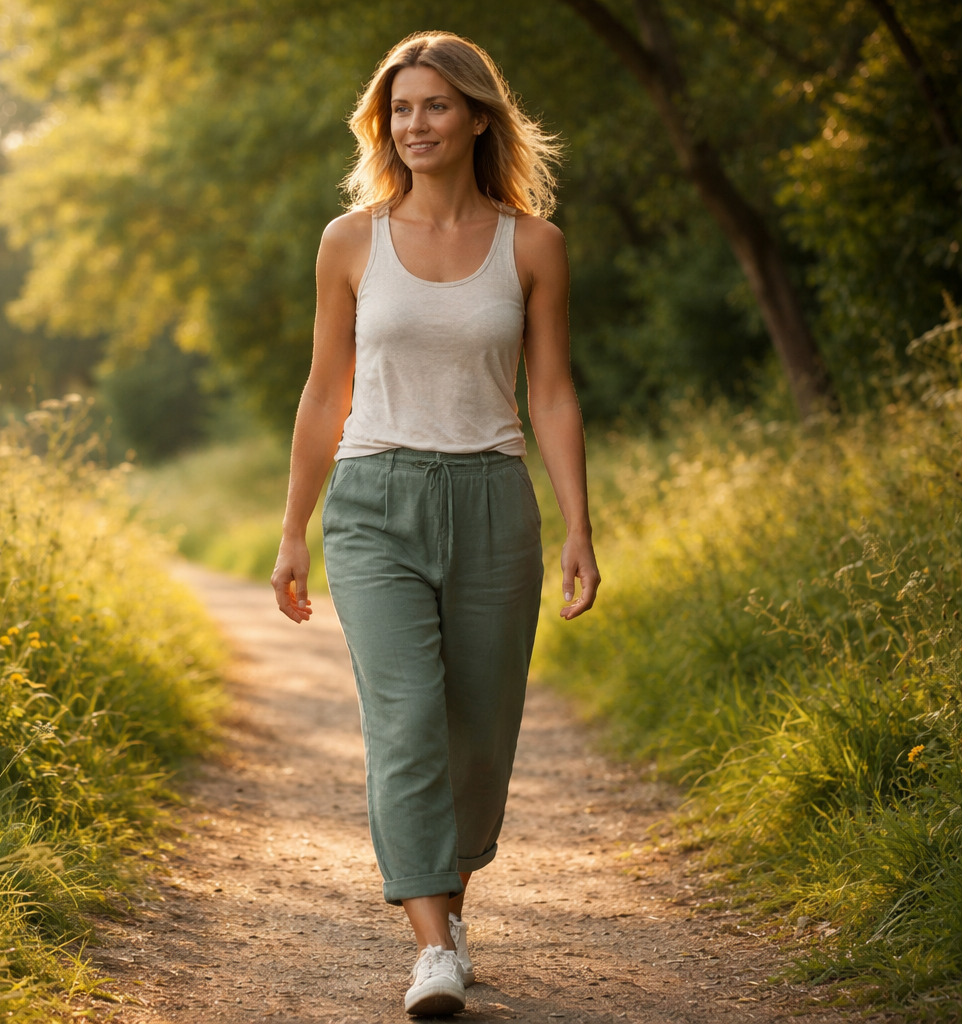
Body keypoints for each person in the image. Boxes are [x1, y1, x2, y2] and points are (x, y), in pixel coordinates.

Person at [269, 30, 602, 1017]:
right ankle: (433, 947)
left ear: (477, 117)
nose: (414, 125)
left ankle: (448, 911)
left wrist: (579, 524)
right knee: (406, 723)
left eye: (434, 107)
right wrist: (294, 530)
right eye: (399, 110)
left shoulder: (532, 244)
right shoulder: (350, 241)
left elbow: (551, 394)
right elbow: (325, 387)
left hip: (493, 500)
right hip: (373, 503)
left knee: (477, 734)